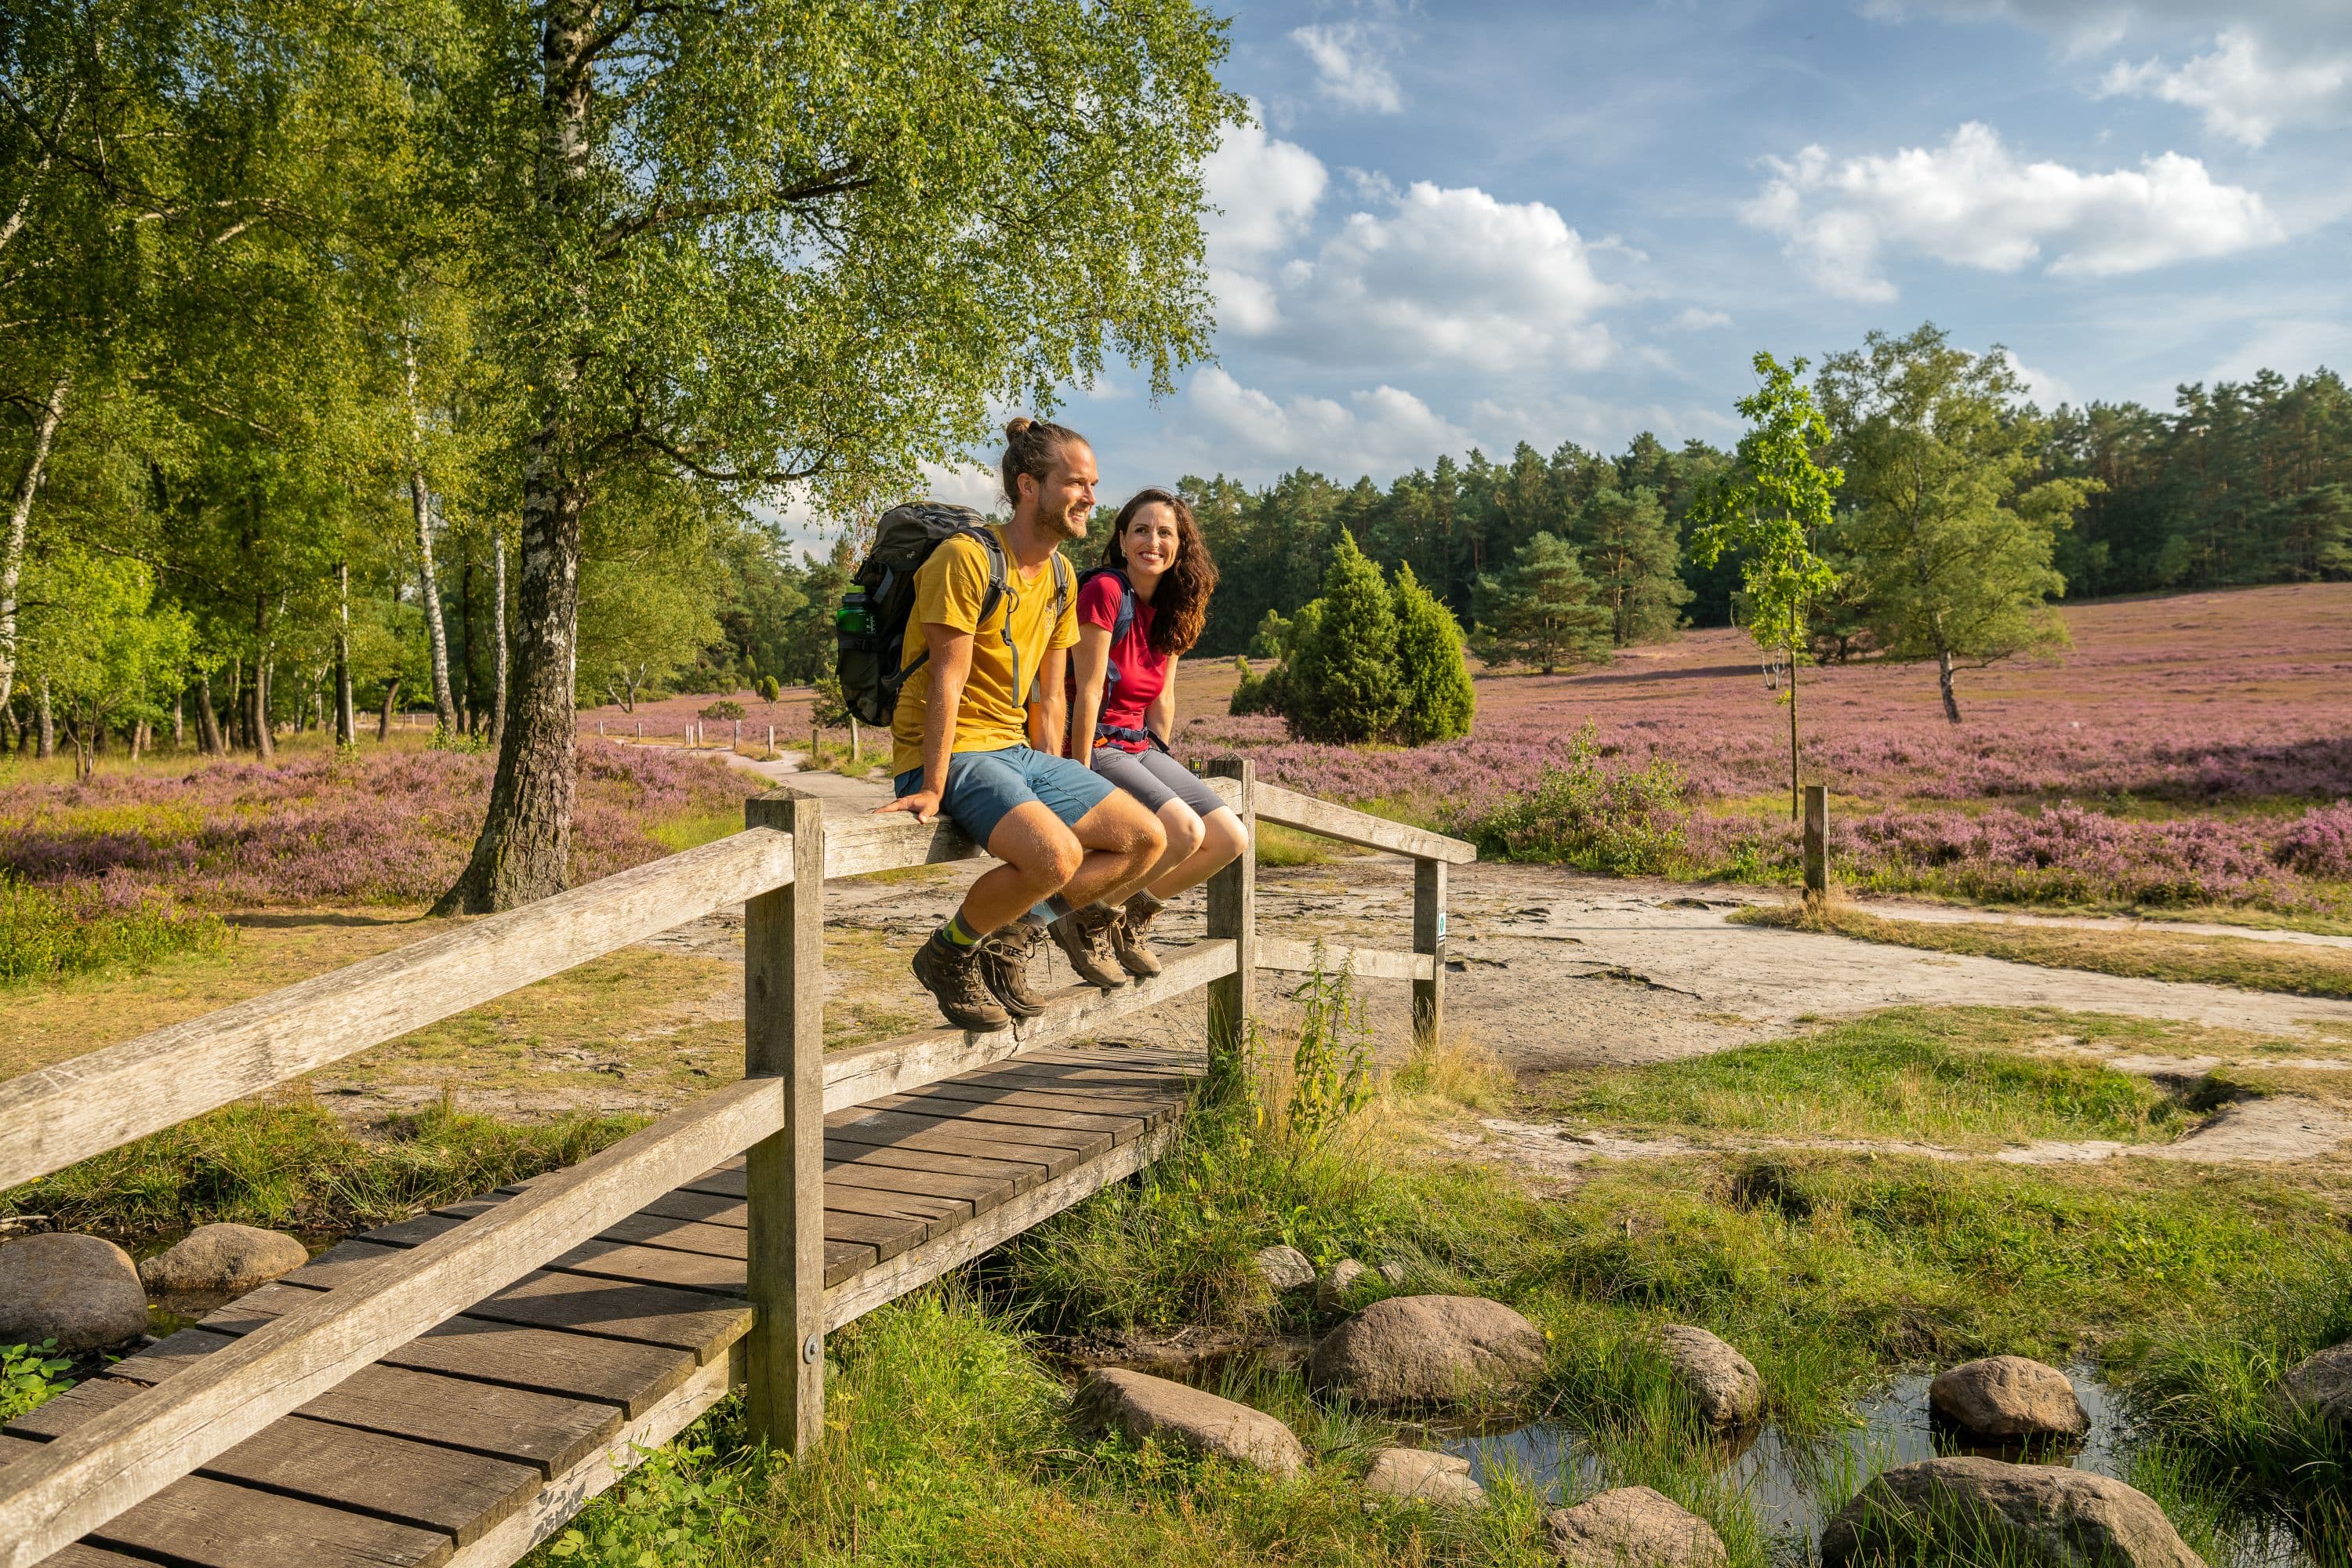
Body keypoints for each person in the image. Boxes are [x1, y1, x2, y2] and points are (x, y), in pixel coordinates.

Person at [876, 418, 1167, 1032]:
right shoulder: (966, 559)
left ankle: (1015, 936)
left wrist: (1070, 780)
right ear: (1029, 486)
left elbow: (1050, 699)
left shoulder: (1060, 575)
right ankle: (949, 953)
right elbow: (947, 682)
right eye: (1077, 484)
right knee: (1058, 857)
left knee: (1145, 839)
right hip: (954, 751)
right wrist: (930, 785)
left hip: (1014, 750)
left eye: (1093, 485)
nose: (1091, 498)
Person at [1062, 487, 1249, 977]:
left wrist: (1164, 766)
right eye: (1141, 530)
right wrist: (1078, 774)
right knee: (1184, 831)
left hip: (1138, 745)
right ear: (1122, 539)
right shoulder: (1105, 591)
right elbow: (1088, 691)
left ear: (1180, 545)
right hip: (1096, 740)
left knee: (1229, 837)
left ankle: (1130, 917)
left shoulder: (1173, 605)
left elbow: (1162, 698)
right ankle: (1088, 917)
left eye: (1165, 533)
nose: (1153, 542)